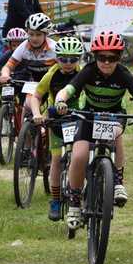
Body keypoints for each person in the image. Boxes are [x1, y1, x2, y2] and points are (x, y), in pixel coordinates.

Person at [54, 31, 133, 229]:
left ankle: (117, 181)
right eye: (102, 58)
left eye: (112, 58)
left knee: (116, 135)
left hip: (115, 115)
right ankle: (75, 203)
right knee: (79, 156)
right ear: (94, 56)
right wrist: (60, 101)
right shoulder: (89, 71)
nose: (107, 63)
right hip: (88, 115)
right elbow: (68, 90)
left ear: (119, 57)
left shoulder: (123, 74)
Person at [30, 36, 83, 221]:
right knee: (57, 158)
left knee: (82, 156)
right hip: (57, 120)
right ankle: (55, 199)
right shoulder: (52, 73)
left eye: (73, 59)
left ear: (79, 59)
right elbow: (36, 96)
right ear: (57, 58)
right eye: (63, 59)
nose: (68, 63)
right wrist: (37, 114)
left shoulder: (82, 73)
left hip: (78, 118)